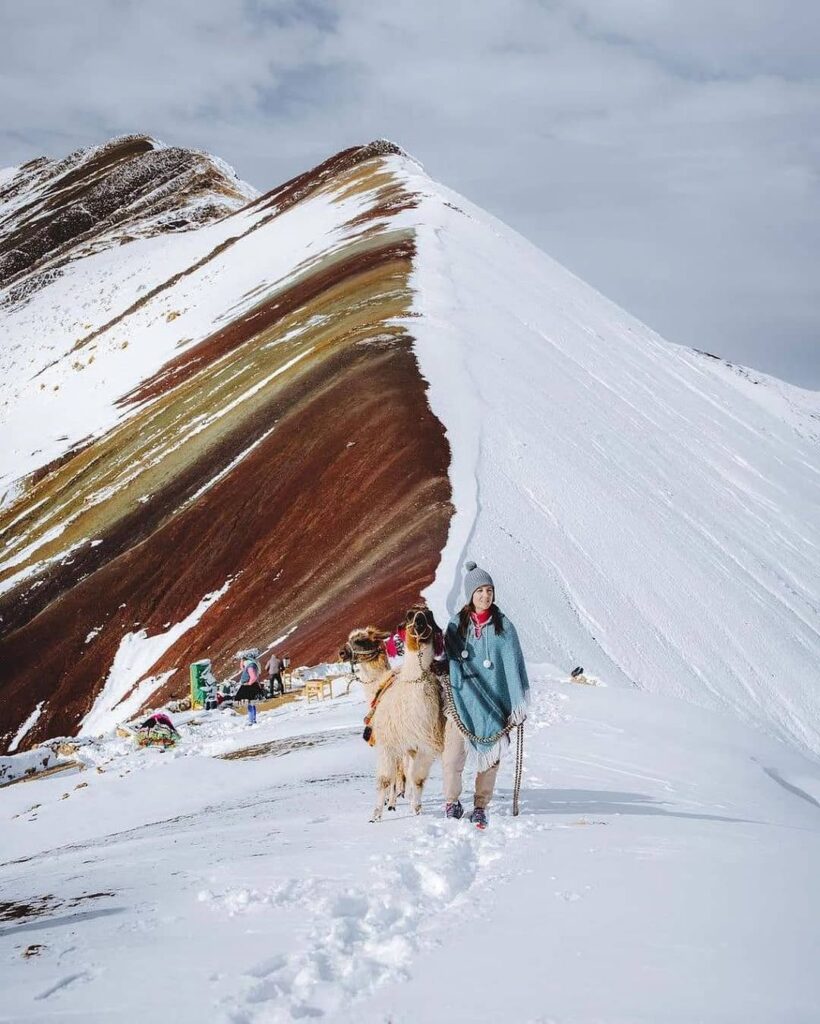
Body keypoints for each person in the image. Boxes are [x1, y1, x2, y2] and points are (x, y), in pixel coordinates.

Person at [443, 560, 529, 829]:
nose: (485, 596)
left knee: (490, 759)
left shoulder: (505, 629)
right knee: (452, 757)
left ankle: (480, 806)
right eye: (479, 591)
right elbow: (446, 662)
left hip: (493, 707)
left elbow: (514, 669)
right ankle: (451, 801)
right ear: (470, 595)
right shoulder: (456, 628)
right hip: (459, 703)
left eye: (489, 590)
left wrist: (516, 703)